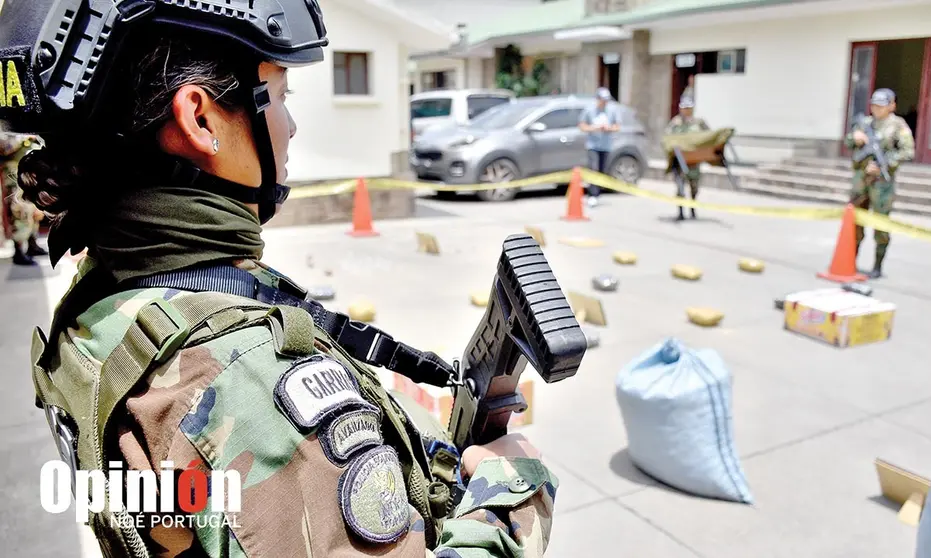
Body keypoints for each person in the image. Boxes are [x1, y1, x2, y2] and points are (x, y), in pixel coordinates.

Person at [1, 2, 556, 557]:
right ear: (199, 118)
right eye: (280, 96)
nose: (290, 125)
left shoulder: (112, 287)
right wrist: (508, 492)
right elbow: (246, 422)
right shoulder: (247, 379)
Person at [844, 88, 915, 278]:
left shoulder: (898, 125)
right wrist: (855, 138)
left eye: (881, 106)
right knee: (855, 222)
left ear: (892, 105)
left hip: (882, 184)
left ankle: (877, 265)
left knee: (881, 225)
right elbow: (848, 142)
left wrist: (887, 164)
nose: (877, 109)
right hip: (860, 182)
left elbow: (907, 152)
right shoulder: (865, 123)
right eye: (874, 105)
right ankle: (849, 260)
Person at [1, 133, 47, 265]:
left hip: (27, 170)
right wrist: (23, 139)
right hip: (12, 174)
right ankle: (19, 250)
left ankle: (32, 244)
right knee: (19, 212)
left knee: (33, 210)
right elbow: (4, 148)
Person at [664, 96, 710, 220]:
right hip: (679, 161)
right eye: (684, 108)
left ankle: (693, 209)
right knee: (680, 188)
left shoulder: (699, 123)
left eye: (689, 108)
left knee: (694, 187)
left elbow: (708, 136)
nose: (686, 110)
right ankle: (681, 212)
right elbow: (667, 138)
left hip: (693, 161)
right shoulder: (675, 123)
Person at [578, 87, 621, 207]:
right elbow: (582, 126)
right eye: (603, 99)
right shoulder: (590, 110)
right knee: (593, 168)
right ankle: (592, 194)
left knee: (602, 170)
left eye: (606, 100)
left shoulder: (612, 110)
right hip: (593, 145)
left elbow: (617, 126)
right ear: (598, 99)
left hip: (606, 145)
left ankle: (597, 193)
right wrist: (594, 128)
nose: (605, 102)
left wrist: (609, 128)